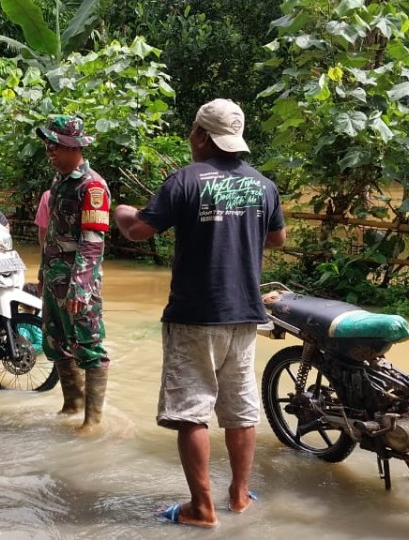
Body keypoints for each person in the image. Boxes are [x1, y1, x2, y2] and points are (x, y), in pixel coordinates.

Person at [114, 99, 286, 528]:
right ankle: (240, 496)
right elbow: (277, 239)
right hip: (245, 314)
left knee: (192, 411)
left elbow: (137, 231)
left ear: (202, 137)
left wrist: (120, 212)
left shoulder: (185, 181)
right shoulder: (264, 186)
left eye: (193, 132)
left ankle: (202, 509)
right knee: (240, 410)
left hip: (194, 314)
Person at [35, 115, 111, 434]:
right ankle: (72, 405)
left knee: (89, 347)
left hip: (79, 283)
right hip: (54, 279)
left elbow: (92, 242)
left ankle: (92, 421)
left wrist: (79, 288)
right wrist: (42, 273)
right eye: (48, 144)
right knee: (55, 341)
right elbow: (52, 234)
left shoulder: (92, 186)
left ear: (73, 146)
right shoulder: (59, 183)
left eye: (56, 144)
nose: (49, 149)